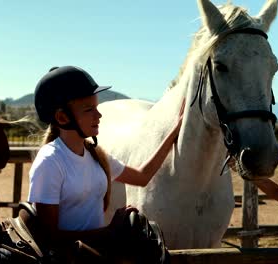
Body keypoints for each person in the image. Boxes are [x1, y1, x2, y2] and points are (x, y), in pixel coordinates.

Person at [26, 66, 183, 261]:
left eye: (97, 107)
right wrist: (111, 231)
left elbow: (142, 176)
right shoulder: (49, 163)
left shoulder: (95, 155)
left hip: (95, 256)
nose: (98, 116)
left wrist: (173, 133)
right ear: (62, 117)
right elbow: (49, 240)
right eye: (89, 109)